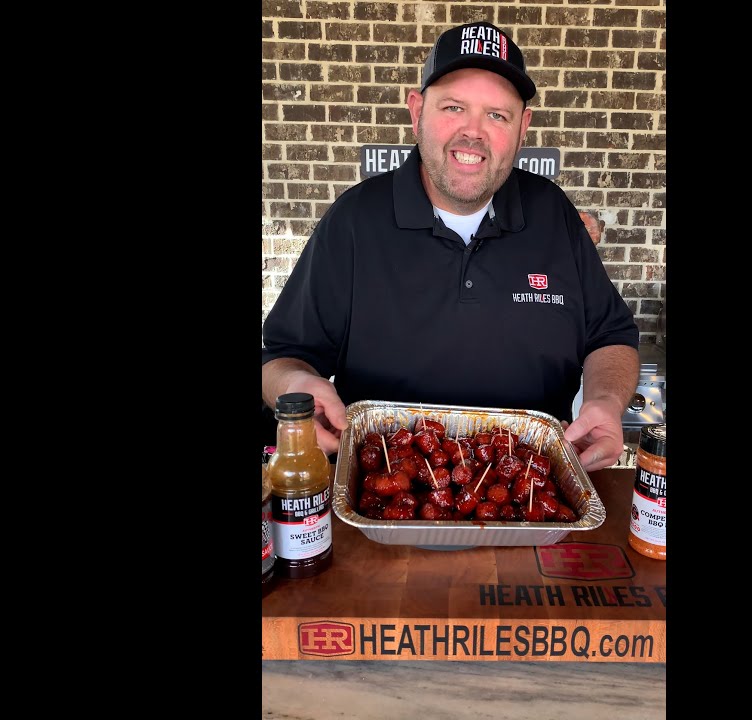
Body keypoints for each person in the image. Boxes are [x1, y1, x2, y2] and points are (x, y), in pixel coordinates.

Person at [261, 21, 640, 473]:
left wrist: (605, 400)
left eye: (497, 115)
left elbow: (611, 336)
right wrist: (299, 385)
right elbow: (280, 357)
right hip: (382, 489)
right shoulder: (354, 221)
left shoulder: (554, 213)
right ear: (416, 110)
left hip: (528, 492)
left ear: (524, 128)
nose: (472, 132)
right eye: (454, 108)